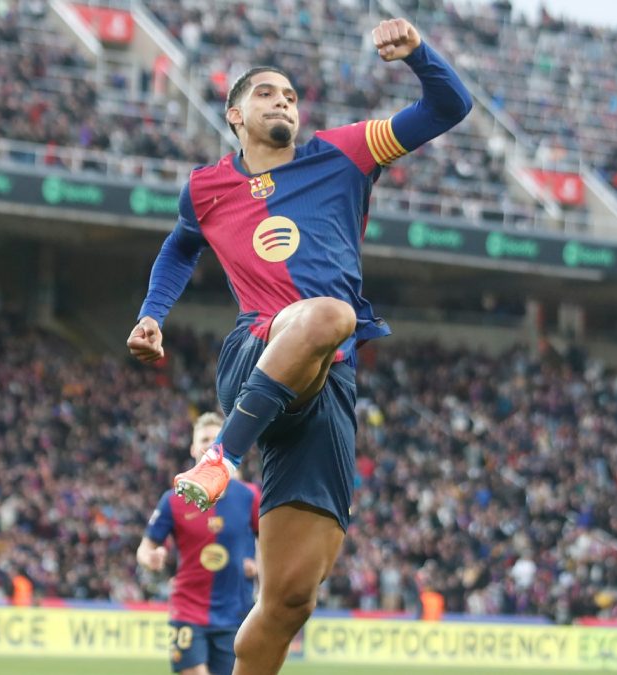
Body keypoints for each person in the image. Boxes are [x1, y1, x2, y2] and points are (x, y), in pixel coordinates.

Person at [127, 18, 472, 674]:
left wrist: (419, 54)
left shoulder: (344, 153)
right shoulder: (205, 188)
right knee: (326, 314)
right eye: (267, 95)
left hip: (328, 386)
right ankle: (222, 458)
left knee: (289, 597)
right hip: (254, 348)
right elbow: (179, 243)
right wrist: (152, 314)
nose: (284, 101)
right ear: (235, 115)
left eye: (290, 94)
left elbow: (449, 107)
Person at [138, 412, 259, 675]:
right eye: (204, 438)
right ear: (194, 448)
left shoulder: (249, 496)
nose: (210, 443)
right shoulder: (172, 500)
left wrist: (260, 564)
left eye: (217, 438)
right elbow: (145, 547)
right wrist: (150, 557)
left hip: (235, 615)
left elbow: (274, 544)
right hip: (188, 610)